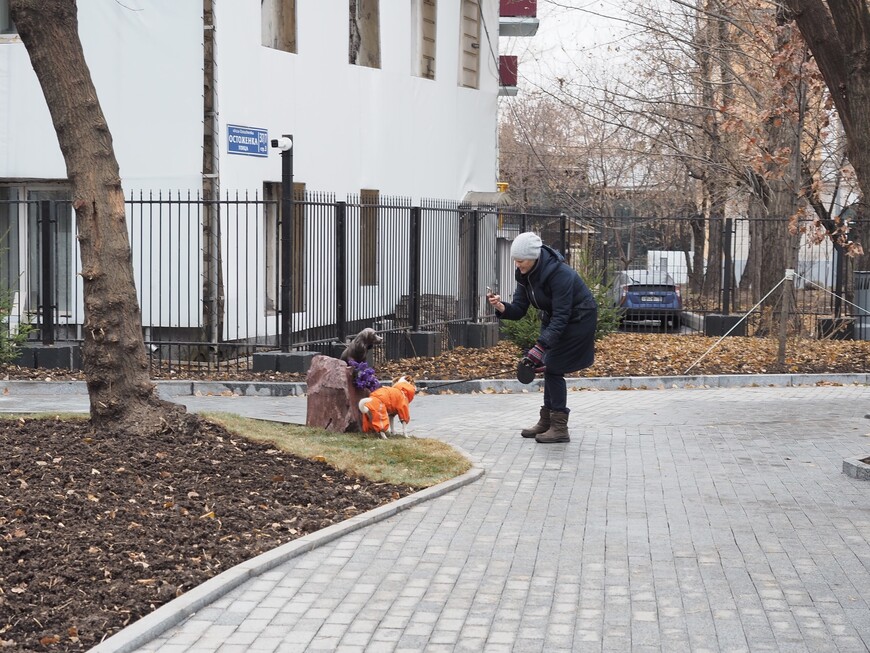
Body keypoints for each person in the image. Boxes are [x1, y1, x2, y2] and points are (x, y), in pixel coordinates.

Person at [487, 232, 598, 443]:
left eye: (520, 261)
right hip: (555, 318)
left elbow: (562, 316)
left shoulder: (560, 274)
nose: (517, 265)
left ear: (534, 257)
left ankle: (559, 428)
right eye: (515, 261)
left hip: (580, 319)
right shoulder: (524, 275)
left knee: (554, 367)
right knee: (550, 366)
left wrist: (539, 348)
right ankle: (546, 421)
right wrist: (501, 307)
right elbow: (519, 309)